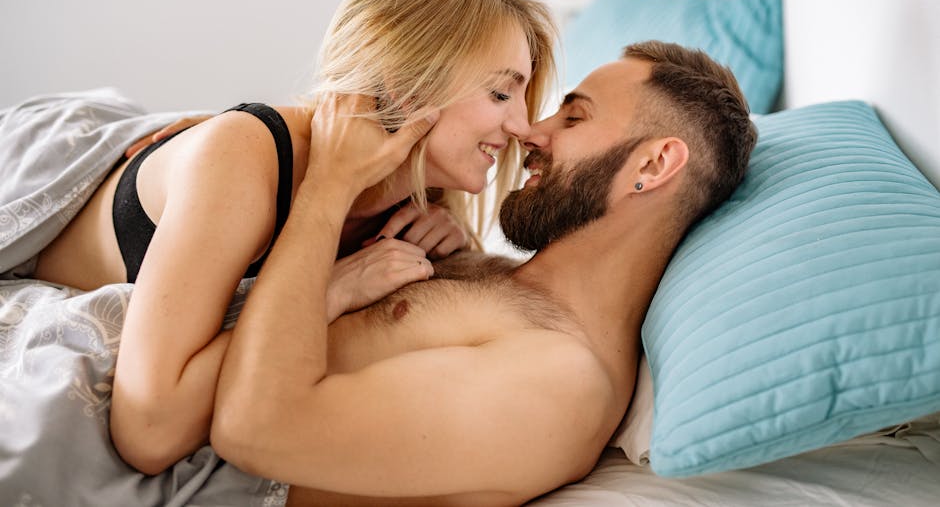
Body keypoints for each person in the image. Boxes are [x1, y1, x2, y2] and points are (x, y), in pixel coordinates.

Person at [27, 0, 556, 474]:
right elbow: (149, 431)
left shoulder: (419, 204)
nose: (522, 126)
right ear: (409, 83)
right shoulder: (243, 161)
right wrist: (332, 289)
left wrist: (454, 238)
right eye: (499, 92)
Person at [210, 40, 759, 506]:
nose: (530, 131)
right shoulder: (503, 280)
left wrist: (329, 187)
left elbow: (253, 429)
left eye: (574, 118)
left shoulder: (560, 384)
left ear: (654, 165)